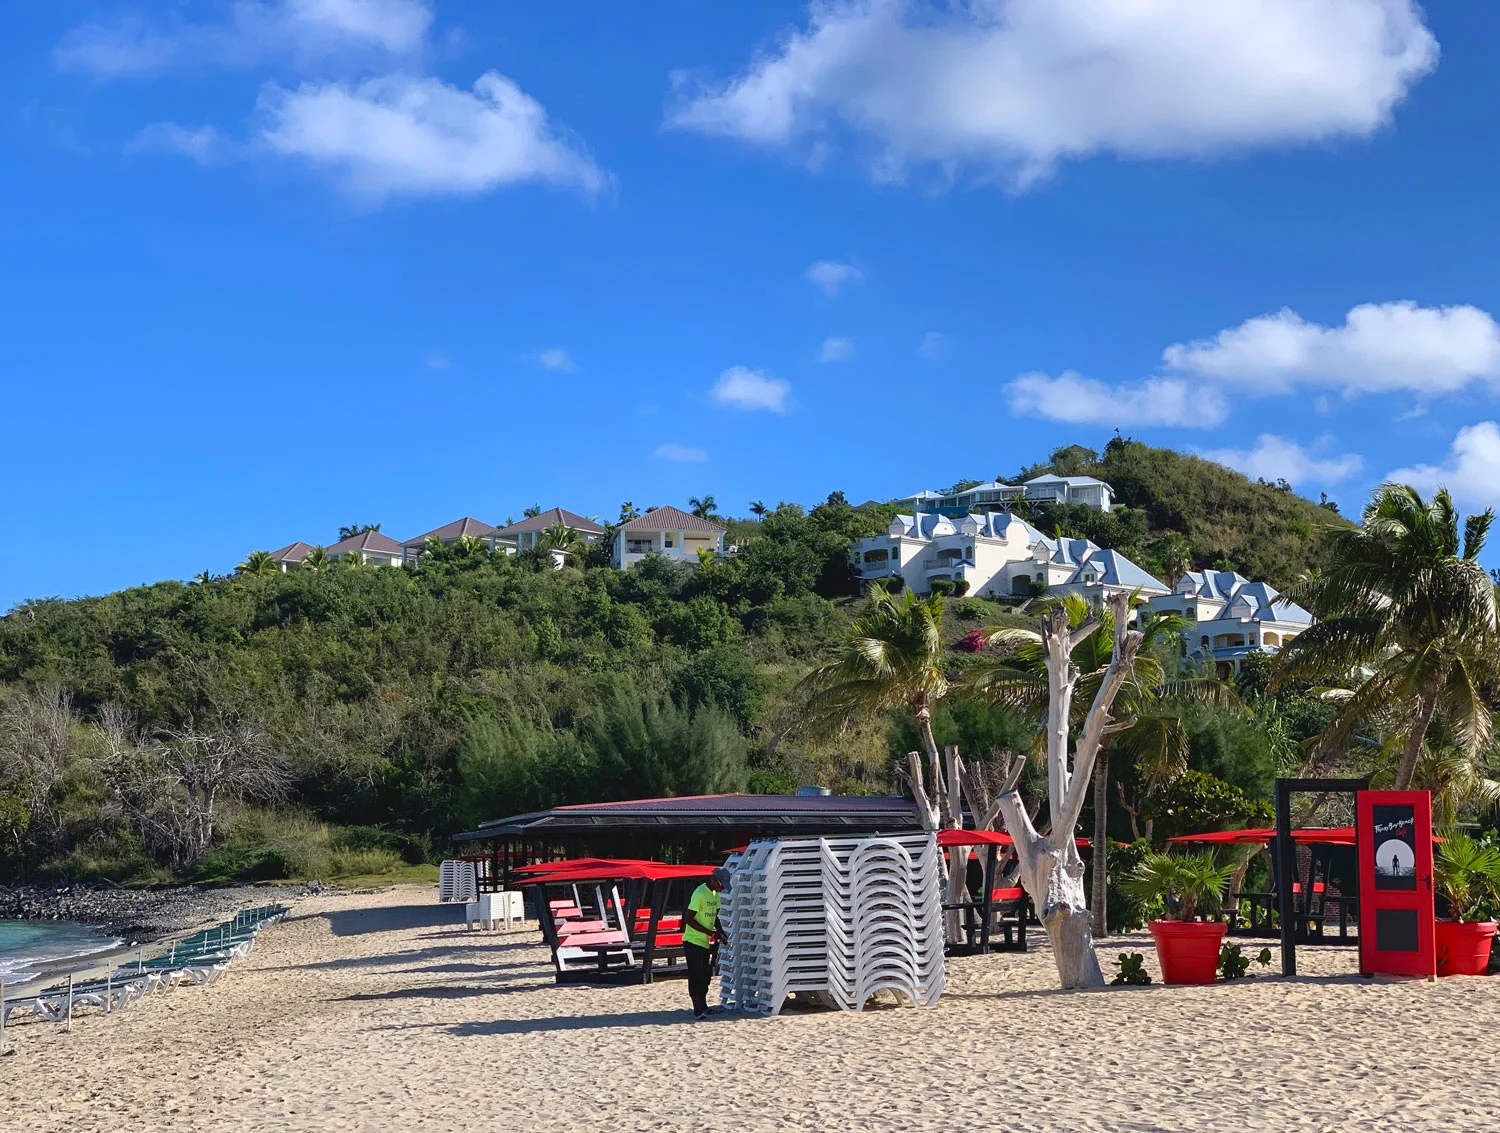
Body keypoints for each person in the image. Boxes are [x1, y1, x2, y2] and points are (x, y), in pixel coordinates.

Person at [683, 867, 729, 1020]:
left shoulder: (715, 895)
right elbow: (688, 919)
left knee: (705, 974)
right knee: (695, 975)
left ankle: (704, 1006)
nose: (722, 889)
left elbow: (714, 917)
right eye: (722, 885)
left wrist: (721, 932)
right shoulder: (699, 893)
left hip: (705, 942)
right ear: (715, 880)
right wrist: (710, 933)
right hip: (693, 940)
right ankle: (697, 1010)